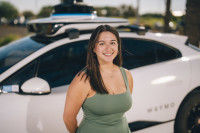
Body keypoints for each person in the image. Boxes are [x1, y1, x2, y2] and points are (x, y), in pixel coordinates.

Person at [63, 25, 133, 133]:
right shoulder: (83, 79)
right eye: (102, 43)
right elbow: (68, 118)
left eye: (113, 43)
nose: (108, 48)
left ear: (118, 47)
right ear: (93, 48)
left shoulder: (127, 75)